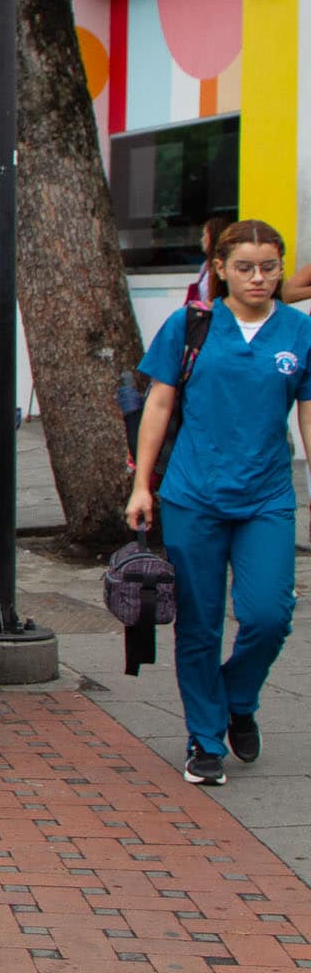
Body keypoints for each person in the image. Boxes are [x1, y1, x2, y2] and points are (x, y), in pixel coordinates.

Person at [126, 219, 311, 787]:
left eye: (269, 267)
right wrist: (141, 487)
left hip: (267, 498)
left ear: (282, 268)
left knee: (269, 615)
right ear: (222, 269)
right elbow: (158, 405)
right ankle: (205, 739)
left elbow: (308, 415)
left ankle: (238, 698)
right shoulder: (191, 324)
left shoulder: (298, 332)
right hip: (192, 497)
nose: (258, 278)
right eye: (246, 267)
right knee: (200, 624)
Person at [188, 216, 232, 305]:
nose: (202, 239)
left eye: (204, 235)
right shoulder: (205, 266)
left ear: (213, 236)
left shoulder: (227, 266)